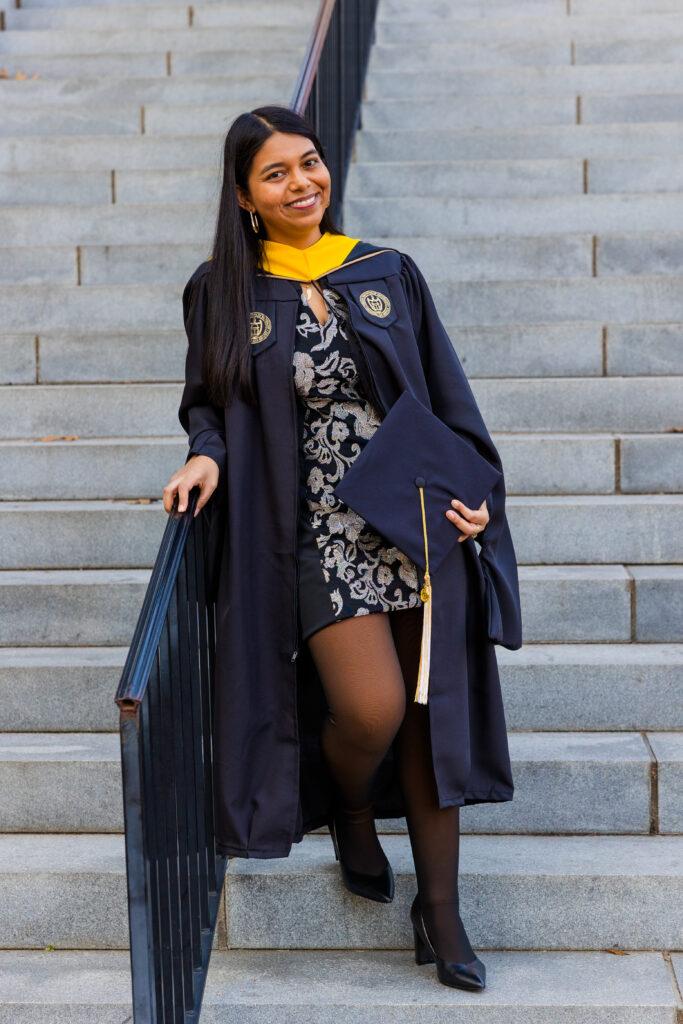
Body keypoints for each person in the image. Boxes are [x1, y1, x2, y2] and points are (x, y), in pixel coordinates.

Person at [163, 105, 522, 993]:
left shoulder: (385, 271)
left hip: (413, 517)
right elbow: (207, 399)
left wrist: (473, 496)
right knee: (370, 709)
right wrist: (206, 453)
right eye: (276, 174)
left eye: (309, 163)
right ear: (245, 197)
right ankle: (351, 804)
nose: (301, 183)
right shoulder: (225, 289)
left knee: (431, 711)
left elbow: (445, 395)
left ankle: (439, 911)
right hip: (312, 531)